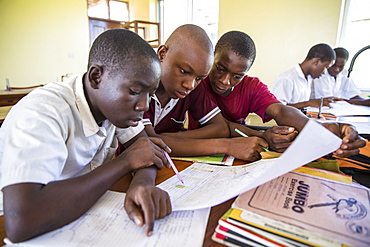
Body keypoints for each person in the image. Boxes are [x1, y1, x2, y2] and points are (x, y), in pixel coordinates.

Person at [0, 29, 173, 243]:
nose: (144, 105)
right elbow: (21, 221)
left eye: (150, 94)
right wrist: (126, 161)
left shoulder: (113, 106)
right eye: (135, 91)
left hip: (81, 213)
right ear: (96, 77)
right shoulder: (43, 112)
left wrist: (142, 184)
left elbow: (145, 151)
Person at [190, 30, 365, 155]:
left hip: (239, 151)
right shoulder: (197, 81)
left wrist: (324, 128)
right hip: (196, 149)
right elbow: (219, 127)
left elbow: (281, 110)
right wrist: (260, 135)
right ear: (213, 58)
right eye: (220, 69)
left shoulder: (251, 86)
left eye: (237, 76)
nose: (225, 81)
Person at [138, 24, 269, 162]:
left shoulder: (193, 89)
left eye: (199, 78)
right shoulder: (140, 89)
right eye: (184, 71)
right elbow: (149, 143)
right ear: (162, 54)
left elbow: (220, 128)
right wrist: (227, 146)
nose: (190, 85)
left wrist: (169, 138)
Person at [272, 43, 336, 109]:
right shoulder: (287, 78)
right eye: (325, 67)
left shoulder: (308, 78)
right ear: (316, 61)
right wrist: (308, 103)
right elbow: (277, 108)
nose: (324, 73)